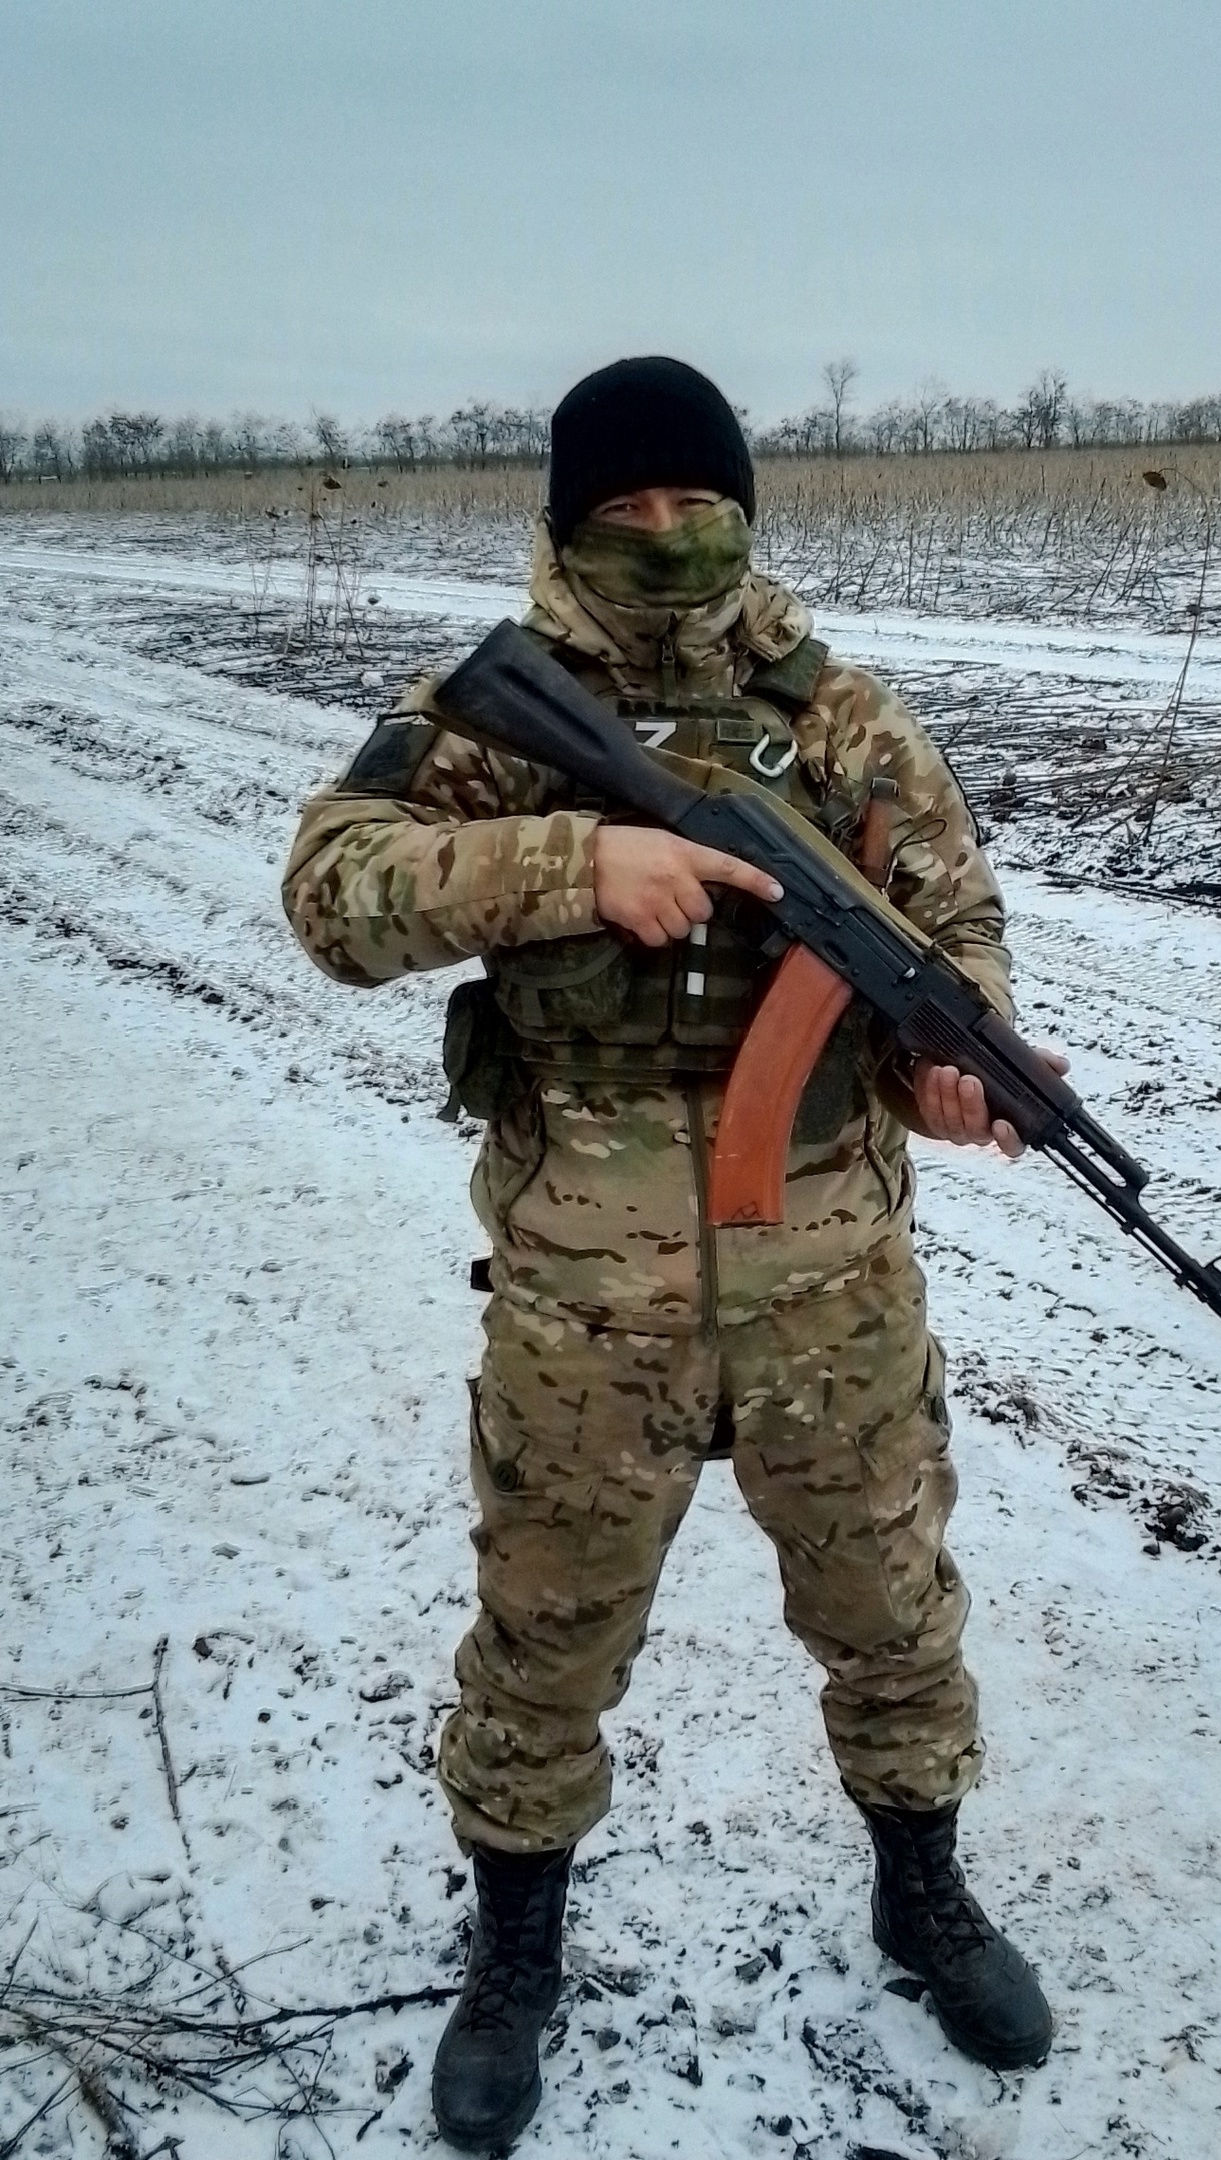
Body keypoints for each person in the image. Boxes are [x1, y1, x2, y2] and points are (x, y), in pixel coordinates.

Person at [283, 356, 1063, 2153]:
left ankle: (923, 1890)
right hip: (583, 1297)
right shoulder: (494, 714)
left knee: (891, 1613)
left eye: (696, 504)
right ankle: (514, 1950)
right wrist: (578, 863)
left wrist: (957, 1069)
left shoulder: (842, 722)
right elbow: (332, 890)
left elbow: (956, 932)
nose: (665, 533)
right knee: (544, 1639)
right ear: (568, 521)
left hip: (833, 1286)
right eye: (625, 508)